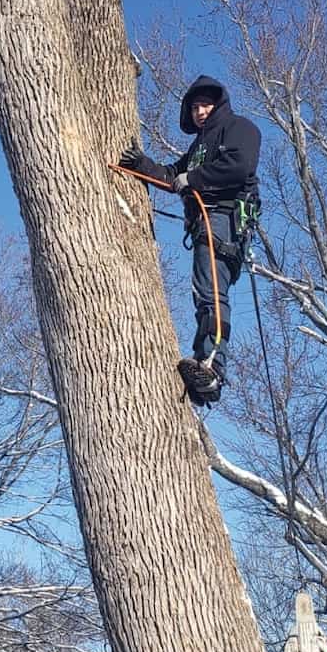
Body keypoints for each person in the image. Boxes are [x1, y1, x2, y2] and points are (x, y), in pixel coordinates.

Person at [119, 75, 261, 406]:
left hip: (224, 220)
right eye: (195, 106)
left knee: (211, 291)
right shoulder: (198, 147)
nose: (200, 111)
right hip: (204, 224)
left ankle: (212, 366)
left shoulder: (239, 128)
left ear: (219, 105)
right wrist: (142, 165)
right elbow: (173, 176)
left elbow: (239, 165)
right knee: (203, 291)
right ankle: (206, 365)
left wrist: (192, 179)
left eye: (206, 105)